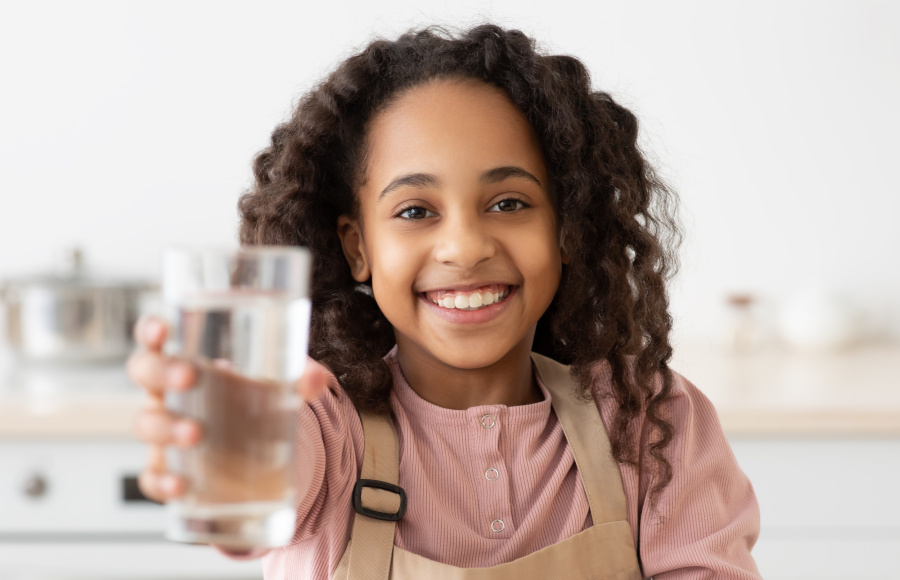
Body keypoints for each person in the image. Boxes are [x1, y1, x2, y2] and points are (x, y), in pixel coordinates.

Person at [127, 24, 762, 579]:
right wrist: (223, 447)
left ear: (567, 227)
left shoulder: (648, 420)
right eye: (415, 211)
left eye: (508, 203)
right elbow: (253, 496)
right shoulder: (329, 424)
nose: (464, 246)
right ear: (357, 247)